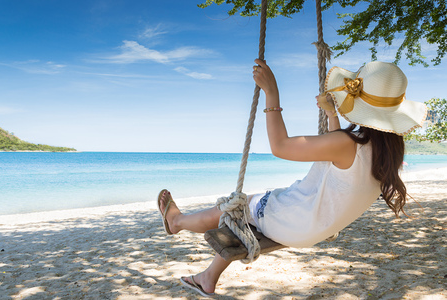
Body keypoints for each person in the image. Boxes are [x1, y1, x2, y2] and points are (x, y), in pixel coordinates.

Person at [157, 59, 427, 297]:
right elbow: (336, 160)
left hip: (295, 222)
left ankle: (177, 222)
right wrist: (332, 115)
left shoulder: (347, 143)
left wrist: (271, 94)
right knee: (249, 212)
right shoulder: (384, 152)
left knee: (236, 207)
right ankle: (208, 278)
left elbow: (281, 147)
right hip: (315, 225)